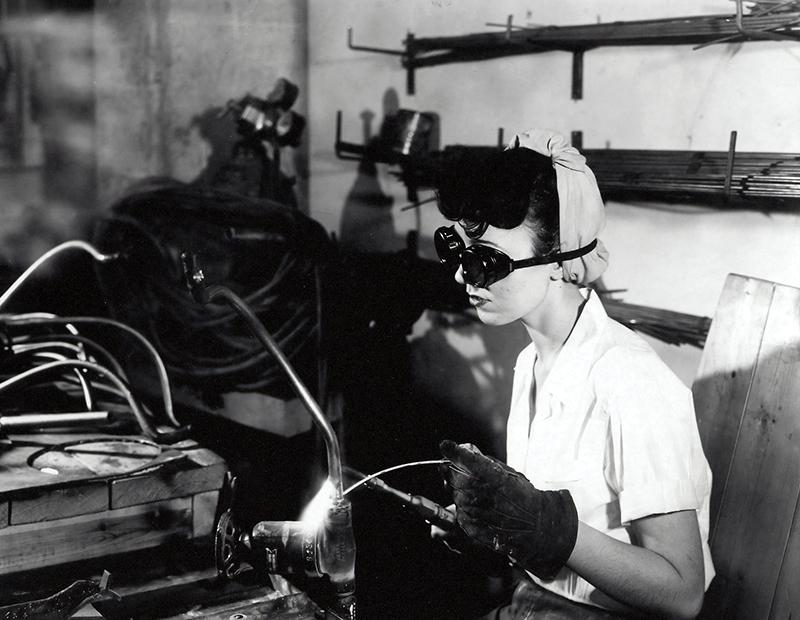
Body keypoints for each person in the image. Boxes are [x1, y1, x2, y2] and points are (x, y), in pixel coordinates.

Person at [432, 129, 714, 619]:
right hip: (534, 604)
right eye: (456, 253)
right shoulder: (532, 364)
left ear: (561, 261)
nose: (462, 276)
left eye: (484, 262)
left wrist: (551, 530)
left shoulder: (629, 381)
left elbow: (683, 594)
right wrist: (493, 531)